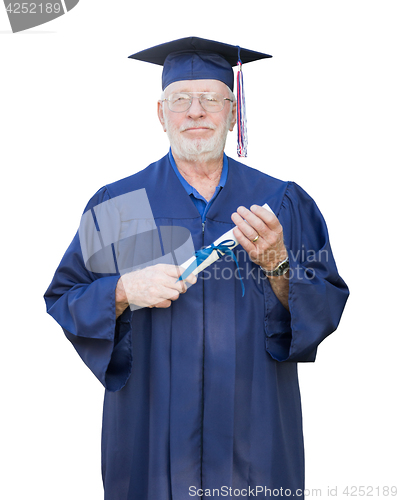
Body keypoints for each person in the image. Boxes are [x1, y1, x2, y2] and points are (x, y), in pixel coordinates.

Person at [44, 37, 349, 500]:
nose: (195, 111)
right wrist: (123, 290)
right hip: (151, 433)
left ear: (233, 111)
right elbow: (64, 297)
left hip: (256, 437)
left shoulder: (281, 203)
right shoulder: (119, 204)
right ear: (160, 114)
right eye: (180, 100)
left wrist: (278, 264)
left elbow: (327, 305)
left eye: (211, 99)